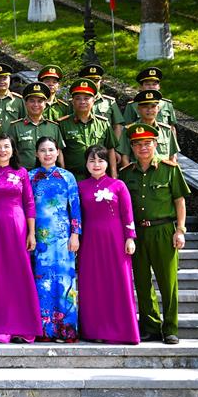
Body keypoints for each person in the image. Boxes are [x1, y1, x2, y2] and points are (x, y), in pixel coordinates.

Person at [119, 122, 190, 345]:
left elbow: (180, 201)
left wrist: (180, 230)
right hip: (138, 232)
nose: (143, 148)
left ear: (155, 144)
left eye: (147, 143)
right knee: (141, 282)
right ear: (132, 147)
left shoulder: (170, 169)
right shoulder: (126, 174)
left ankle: (170, 327)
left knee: (168, 282)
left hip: (163, 230)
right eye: (138, 144)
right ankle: (150, 326)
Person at [0, 135, 41, 343]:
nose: (2, 150)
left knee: (19, 273)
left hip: (17, 226)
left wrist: (31, 233)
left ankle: (22, 326)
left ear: (13, 150)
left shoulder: (22, 173)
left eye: (6, 147)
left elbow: (29, 203)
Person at [78, 144, 139, 344]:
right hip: (90, 240)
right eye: (92, 160)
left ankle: (123, 331)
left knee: (118, 282)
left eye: (101, 160)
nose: (96, 164)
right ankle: (94, 330)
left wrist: (130, 237)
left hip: (115, 240)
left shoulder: (118, 185)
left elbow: (127, 213)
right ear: (86, 163)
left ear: (107, 163)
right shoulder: (80, 187)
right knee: (92, 283)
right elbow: (77, 216)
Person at [29, 136, 82, 342]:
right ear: (36, 154)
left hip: (63, 239)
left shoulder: (67, 177)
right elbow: (28, 208)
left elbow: (75, 207)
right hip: (40, 240)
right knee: (42, 283)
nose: (47, 154)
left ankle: (67, 329)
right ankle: (45, 330)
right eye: (43, 150)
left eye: (51, 150)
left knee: (65, 281)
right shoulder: (30, 176)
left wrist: (75, 234)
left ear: (58, 152)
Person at [57, 79, 118, 179]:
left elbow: (110, 149)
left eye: (86, 98)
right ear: (72, 102)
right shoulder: (63, 124)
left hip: (99, 177)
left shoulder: (103, 123)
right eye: (78, 98)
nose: (82, 102)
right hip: (74, 178)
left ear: (93, 101)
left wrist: (114, 175)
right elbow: (60, 153)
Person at [5, 82, 66, 169]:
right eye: (32, 101)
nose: (36, 105)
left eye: (40, 101)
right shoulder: (15, 127)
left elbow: (59, 153)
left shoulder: (53, 127)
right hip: (24, 175)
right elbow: (9, 153)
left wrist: (62, 173)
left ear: (45, 104)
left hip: (48, 175)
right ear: (25, 103)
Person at [117, 90, 180, 167]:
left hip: (163, 174)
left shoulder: (166, 130)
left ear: (158, 108)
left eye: (153, 106)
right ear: (138, 109)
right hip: (139, 174)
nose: (149, 110)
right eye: (145, 107)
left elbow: (172, 157)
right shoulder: (130, 130)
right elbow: (125, 157)